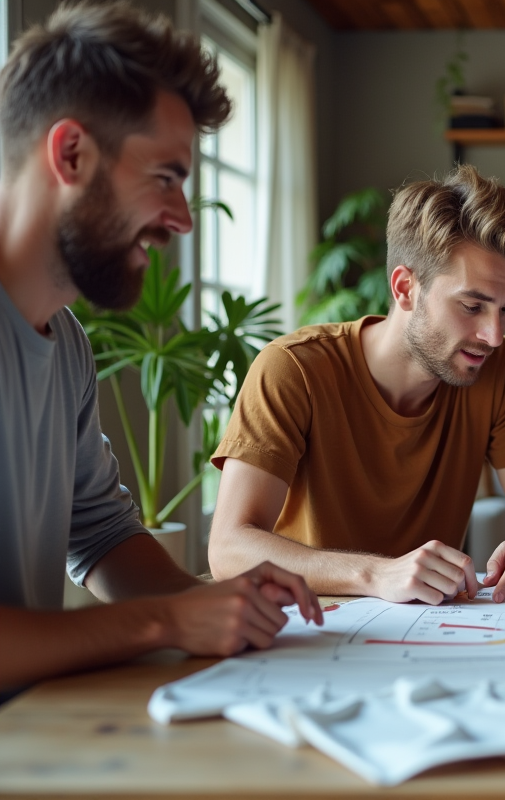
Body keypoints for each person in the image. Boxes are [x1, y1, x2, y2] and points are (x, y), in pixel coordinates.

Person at [0, 1, 322, 696]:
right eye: (166, 178)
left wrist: (216, 609)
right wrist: (164, 623)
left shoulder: (68, 345)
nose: (180, 220)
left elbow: (103, 535)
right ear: (71, 154)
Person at [207, 164, 505, 605]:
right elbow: (228, 549)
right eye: (473, 306)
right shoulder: (293, 370)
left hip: (436, 629)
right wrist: (377, 574)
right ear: (405, 288)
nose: (494, 336)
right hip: (312, 629)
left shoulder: (501, 368)